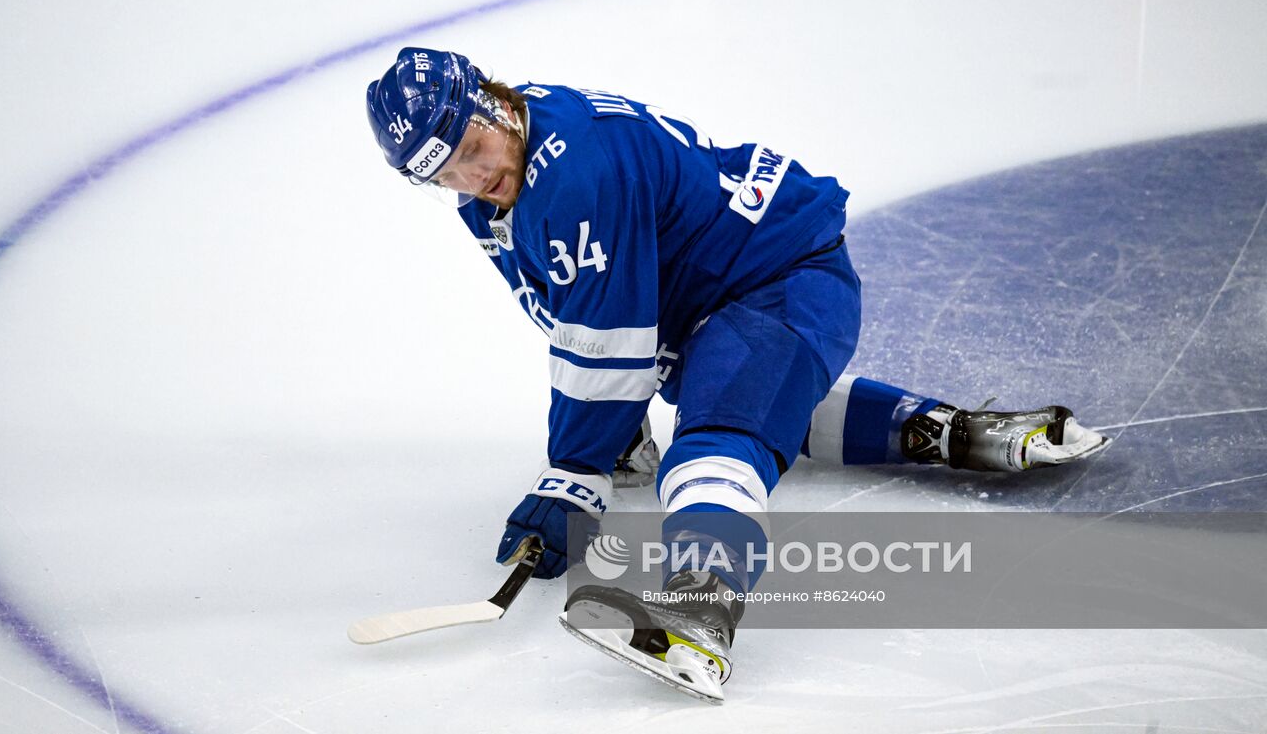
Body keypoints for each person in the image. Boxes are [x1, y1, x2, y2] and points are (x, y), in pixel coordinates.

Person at [364, 47, 1109, 702]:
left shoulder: (577, 170)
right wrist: (612, 426)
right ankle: (946, 432)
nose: (474, 174)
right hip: (714, 310)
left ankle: (700, 613)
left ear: (490, 101)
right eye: (443, 171)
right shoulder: (499, 184)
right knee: (755, 407)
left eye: (470, 145)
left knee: (716, 440)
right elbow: (574, 308)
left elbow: (607, 338)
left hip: (778, 277)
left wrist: (574, 467)